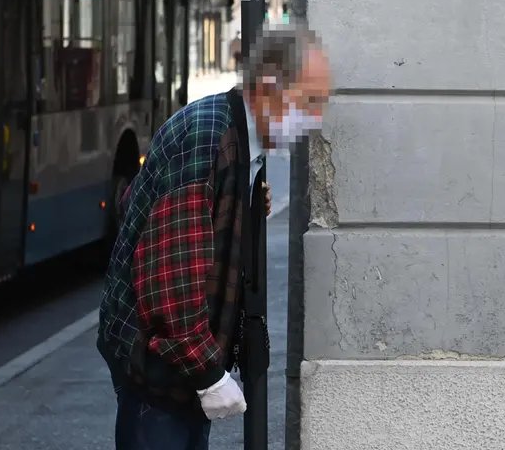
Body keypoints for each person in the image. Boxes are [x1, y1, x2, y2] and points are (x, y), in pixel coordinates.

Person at [96, 25, 331, 450]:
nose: (314, 119)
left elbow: (142, 205)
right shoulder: (208, 135)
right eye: (310, 101)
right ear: (270, 86)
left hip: (171, 371)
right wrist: (208, 374)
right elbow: (170, 279)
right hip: (158, 373)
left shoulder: (234, 137)